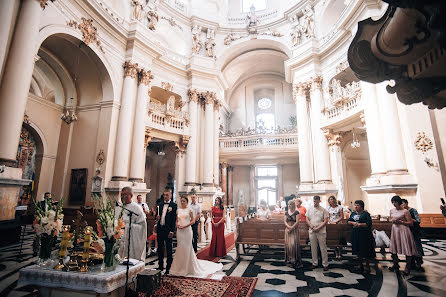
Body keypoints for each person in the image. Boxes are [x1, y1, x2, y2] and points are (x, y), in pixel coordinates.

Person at [170, 196, 223, 277]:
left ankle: (188, 267)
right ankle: (179, 267)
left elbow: (193, 220)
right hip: (180, 231)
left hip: (187, 230)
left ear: (187, 202)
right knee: (180, 247)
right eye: (181, 201)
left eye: (184, 201)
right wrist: (177, 225)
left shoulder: (189, 210)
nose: (182, 202)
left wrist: (185, 226)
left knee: (187, 247)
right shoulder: (178, 210)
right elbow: (176, 220)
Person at [389, 195, 418, 276]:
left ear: (399, 202)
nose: (394, 204)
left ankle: (407, 268)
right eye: (393, 202)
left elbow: (411, 223)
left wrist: (402, 222)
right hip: (395, 230)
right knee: (393, 249)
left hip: (403, 230)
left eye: (395, 202)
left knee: (407, 248)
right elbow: (390, 219)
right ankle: (395, 264)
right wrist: (393, 220)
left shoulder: (405, 211)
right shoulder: (391, 210)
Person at [117, 187, 147, 261]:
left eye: (125, 195)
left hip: (130, 238)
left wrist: (128, 227)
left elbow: (142, 226)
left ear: (131, 196)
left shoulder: (136, 208)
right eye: (121, 195)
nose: (122, 197)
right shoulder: (118, 207)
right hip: (118, 238)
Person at [347, 200, 376, 273]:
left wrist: (360, 224)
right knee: (358, 250)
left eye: (357, 205)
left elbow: (369, 223)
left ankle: (367, 266)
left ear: (361, 206)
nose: (356, 206)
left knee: (365, 250)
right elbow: (349, 221)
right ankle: (360, 265)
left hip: (364, 235)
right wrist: (353, 223)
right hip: (355, 234)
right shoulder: (353, 213)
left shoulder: (366, 214)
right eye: (355, 205)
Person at [156, 189, 177, 274]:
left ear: (170, 195)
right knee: (160, 249)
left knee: (169, 249)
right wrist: (156, 218)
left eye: (167, 195)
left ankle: (168, 267)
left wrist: (172, 231)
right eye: (164, 195)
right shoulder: (160, 204)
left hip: (168, 230)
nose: (165, 196)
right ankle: (160, 266)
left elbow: (174, 219)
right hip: (160, 229)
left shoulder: (174, 205)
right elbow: (158, 216)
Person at [306, 196, 329, 271]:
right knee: (313, 247)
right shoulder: (310, 209)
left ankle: (325, 264)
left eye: (316, 201)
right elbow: (307, 219)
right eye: (314, 201)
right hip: (312, 230)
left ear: (319, 201)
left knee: (323, 248)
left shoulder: (323, 210)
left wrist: (318, 228)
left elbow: (325, 221)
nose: (315, 202)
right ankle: (314, 263)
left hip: (321, 230)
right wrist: (312, 227)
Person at [401, 199, 424, 271]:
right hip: (407, 231)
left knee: (416, 247)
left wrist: (409, 218)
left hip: (414, 231)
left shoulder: (413, 210)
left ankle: (419, 262)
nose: (402, 205)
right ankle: (411, 262)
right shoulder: (402, 212)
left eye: (403, 204)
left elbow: (418, 221)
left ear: (406, 203)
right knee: (408, 247)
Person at [284, 200, 302, 268]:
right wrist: (288, 227)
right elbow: (285, 221)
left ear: (293, 205)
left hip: (294, 230)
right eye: (288, 204)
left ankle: (294, 260)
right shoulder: (286, 212)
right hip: (287, 230)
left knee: (293, 244)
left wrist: (291, 228)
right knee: (288, 245)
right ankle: (289, 260)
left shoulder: (297, 212)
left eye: (290, 204)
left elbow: (297, 222)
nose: (289, 206)